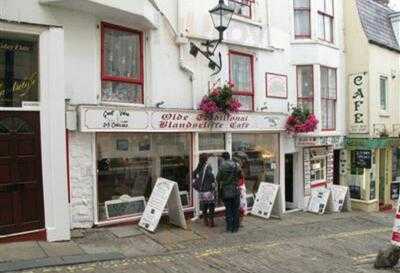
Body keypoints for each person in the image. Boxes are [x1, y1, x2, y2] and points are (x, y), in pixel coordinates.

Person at [217, 152, 241, 233]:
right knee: (235, 209)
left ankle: (229, 228)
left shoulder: (222, 166)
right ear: (229, 157)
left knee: (228, 210)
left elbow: (218, 178)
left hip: (226, 190)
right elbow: (241, 175)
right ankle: (236, 228)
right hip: (235, 189)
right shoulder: (236, 165)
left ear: (223, 158)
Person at [193, 153, 217, 227]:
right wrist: (213, 181)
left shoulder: (199, 167)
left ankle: (205, 220)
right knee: (211, 205)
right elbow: (211, 176)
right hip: (208, 190)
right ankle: (211, 221)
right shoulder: (207, 166)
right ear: (206, 159)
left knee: (204, 205)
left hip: (201, 191)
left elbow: (193, 174)